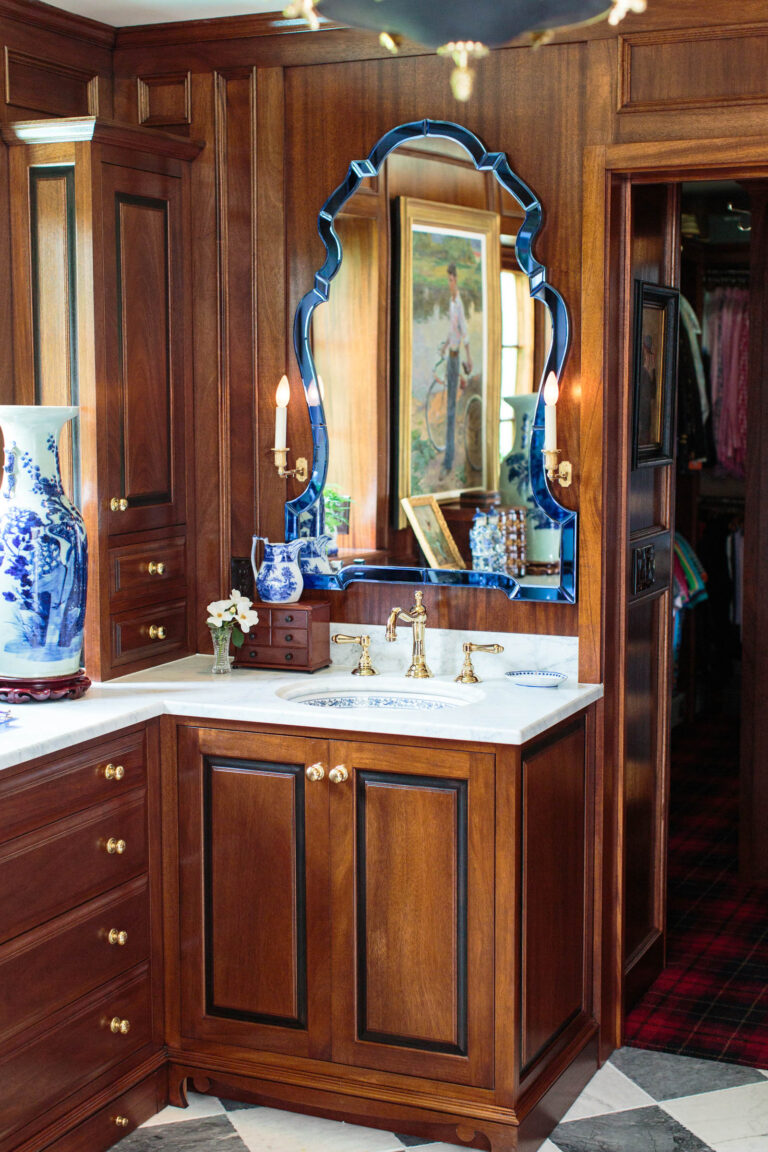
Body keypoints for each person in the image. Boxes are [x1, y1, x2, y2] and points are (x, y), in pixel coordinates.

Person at [439, 262, 472, 476]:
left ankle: (448, 461)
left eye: (451, 280)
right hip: (451, 355)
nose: (449, 284)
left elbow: (464, 332)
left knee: (451, 408)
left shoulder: (457, 303)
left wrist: (468, 359)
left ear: (455, 279)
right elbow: (454, 332)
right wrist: (444, 344)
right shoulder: (452, 303)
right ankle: (448, 456)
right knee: (449, 407)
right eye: (447, 281)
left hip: (455, 358)